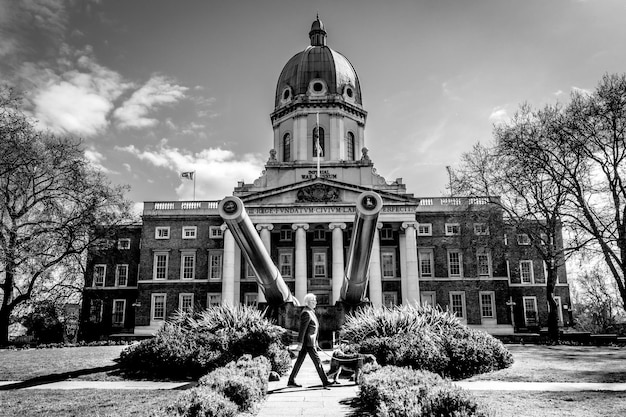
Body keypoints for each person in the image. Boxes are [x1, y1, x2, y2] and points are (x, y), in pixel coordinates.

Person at [287, 293, 337, 387]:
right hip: (308, 343)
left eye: (315, 300)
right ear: (308, 302)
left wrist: (315, 341)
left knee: (299, 361)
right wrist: (300, 343)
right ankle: (325, 381)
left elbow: (313, 329)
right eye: (313, 300)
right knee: (317, 362)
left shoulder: (310, 311)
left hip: (310, 342)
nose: (315, 302)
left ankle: (291, 380)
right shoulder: (306, 312)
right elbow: (303, 330)